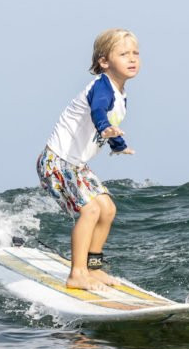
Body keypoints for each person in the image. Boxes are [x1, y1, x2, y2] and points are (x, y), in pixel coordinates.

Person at [36, 28, 141, 291]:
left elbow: (110, 123)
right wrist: (106, 129)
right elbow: (98, 113)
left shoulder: (120, 93)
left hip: (77, 166)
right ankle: (77, 273)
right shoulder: (102, 87)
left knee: (108, 209)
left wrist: (118, 144)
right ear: (104, 61)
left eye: (135, 53)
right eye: (124, 54)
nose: (132, 59)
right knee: (90, 210)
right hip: (57, 162)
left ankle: (93, 269)